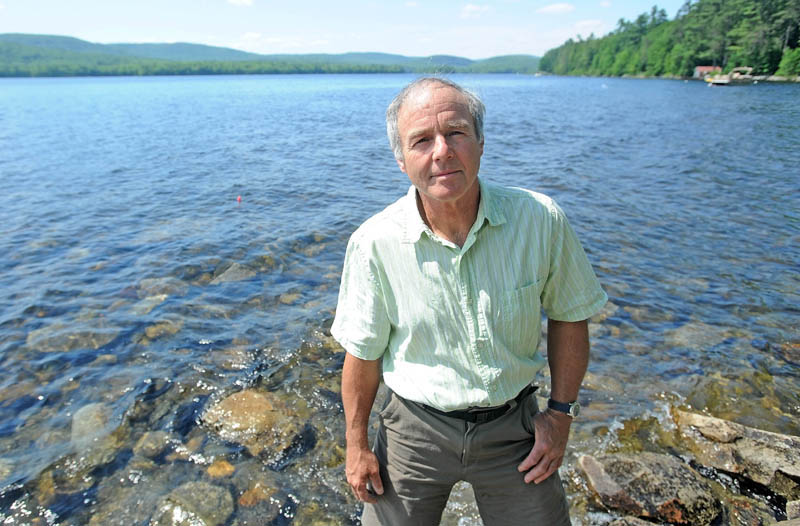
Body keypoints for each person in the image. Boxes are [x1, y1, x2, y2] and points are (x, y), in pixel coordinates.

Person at [331, 77, 607, 525]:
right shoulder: (374, 243)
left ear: (480, 141)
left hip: (514, 433)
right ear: (401, 160)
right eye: (421, 140)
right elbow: (362, 353)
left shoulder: (539, 220)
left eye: (456, 132)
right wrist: (357, 445)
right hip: (413, 435)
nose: (442, 151)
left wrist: (560, 417)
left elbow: (570, 317)